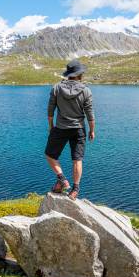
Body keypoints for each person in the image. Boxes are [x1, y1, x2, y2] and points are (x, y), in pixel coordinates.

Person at [45, 59, 95, 200]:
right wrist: (92, 130)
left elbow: (50, 111)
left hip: (60, 128)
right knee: (77, 160)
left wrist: (51, 127)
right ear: (80, 74)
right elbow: (90, 114)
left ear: (68, 74)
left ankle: (62, 179)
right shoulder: (86, 90)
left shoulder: (56, 88)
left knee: (50, 155)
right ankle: (75, 189)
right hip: (79, 129)